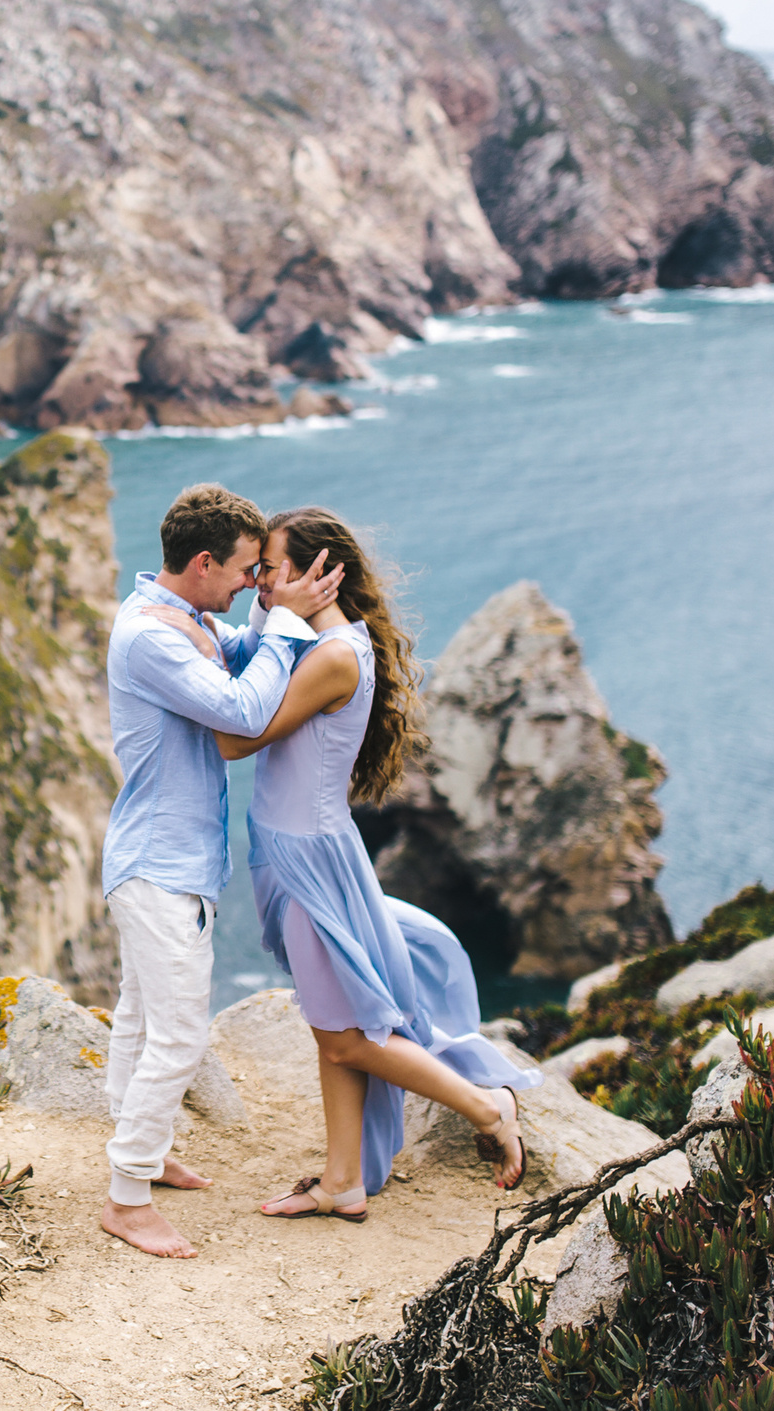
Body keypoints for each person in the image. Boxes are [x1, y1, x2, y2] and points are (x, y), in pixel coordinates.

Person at [151, 506, 533, 1221]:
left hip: (309, 861)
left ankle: (487, 1107)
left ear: (320, 574)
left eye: (270, 566)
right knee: (336, 1023)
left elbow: (239, 738)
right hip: (295, 850)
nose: (259, 580)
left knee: (345, 1035)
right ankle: (343, 1181)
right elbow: (249, 663)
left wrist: (193, 675)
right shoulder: (309, 641)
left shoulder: (331, 655)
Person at [97, 484, 342, 1260]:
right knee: (176, 1033)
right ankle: (126, 1198)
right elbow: (240, 711)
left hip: (166, 859)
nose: (249, 585)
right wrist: (294, 626)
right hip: (158, 862)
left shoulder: (192, 618)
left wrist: (280, 609)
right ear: (202, 562)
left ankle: (145, 1150)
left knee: (139, 1015)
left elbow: (241, 652)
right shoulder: (152, 638)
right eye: (243, 570)